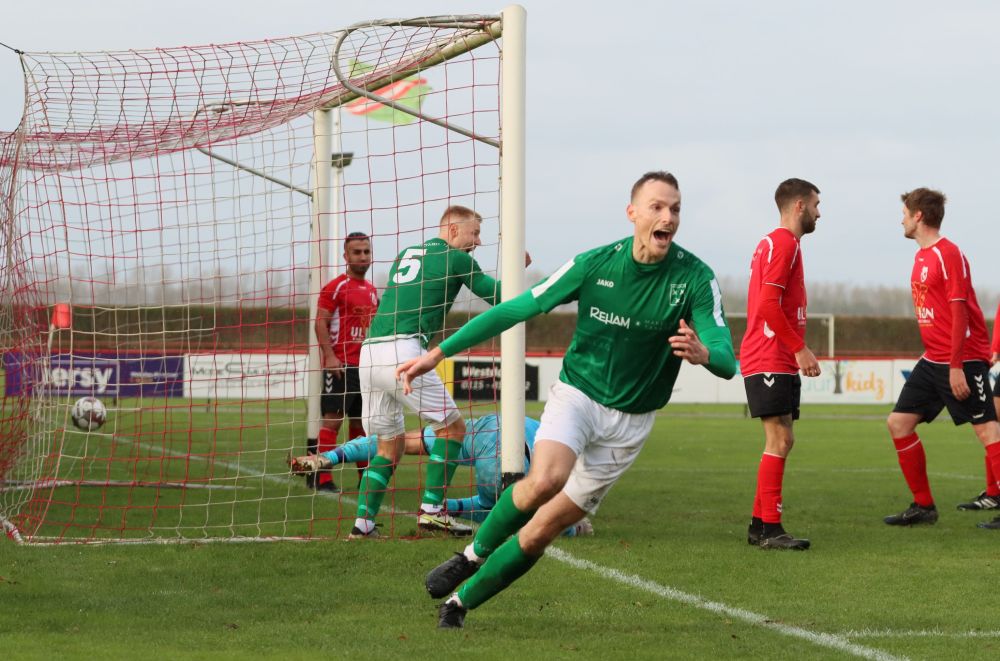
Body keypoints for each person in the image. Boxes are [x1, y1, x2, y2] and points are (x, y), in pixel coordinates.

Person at [397, 171, 736, 629]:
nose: (668, 217)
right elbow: (515, 308)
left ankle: (458, 605)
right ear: (632, 212)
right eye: (657, 206)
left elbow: (727, 358)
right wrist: (437, 353)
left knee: (542, 530)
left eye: (675, 208)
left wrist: (703, 353)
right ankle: (472, 555)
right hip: (579, 395)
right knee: (545, 480)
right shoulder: (595, 264)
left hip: (631, 425)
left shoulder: (694, 277)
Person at [352, 205, 523, 540]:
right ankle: (432, 511)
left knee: (389, 446)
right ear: (454, 230)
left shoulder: (406, 253)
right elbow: (498, 297)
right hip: (403, 350)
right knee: (452, 428)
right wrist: (520, 272)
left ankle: (363, 524)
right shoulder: (457, 259)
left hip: (370, 352)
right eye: (474, 233)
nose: (477, 241)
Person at [883, 188, 1000, 529]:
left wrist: (956, 366)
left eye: (905, 212)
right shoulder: (921, 256)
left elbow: (959, 312)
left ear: (919, 215)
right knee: (898, 424)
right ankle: (923, 506)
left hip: (963, 359)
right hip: (934, 359)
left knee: (988, 431)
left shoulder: (949, 254)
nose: (901, 219)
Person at [287, 414, 595, 537]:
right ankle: (440, 509)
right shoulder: (570, 464)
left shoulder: (545, 427)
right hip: (515, 460)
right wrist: (575, 527)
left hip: (486, 428)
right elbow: (555, 517)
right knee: (516, 515)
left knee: (395, 442)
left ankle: (329, 456)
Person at [739, 179, 822, 551]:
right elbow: (768, 306)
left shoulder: (780, 244)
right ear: (800, 206)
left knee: (783, 439)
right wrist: (799, 348)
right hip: (770, 354)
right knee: (780, 438)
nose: (821, 213)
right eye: (817, 205)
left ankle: (760, 525)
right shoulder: (784, 243)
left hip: (777, 355)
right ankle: (771, 529)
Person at [311, 231, 379, 492]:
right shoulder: (336, 286)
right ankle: (322, 478)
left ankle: (364, 480)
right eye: (357, 252)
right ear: (346, 256)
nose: (363, 256)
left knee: (361, 425)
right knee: (332, 421)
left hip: (365, 368)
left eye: (366, 252)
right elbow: (321, 322)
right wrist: (329, 356)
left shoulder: (372, 290)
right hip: (341, 365)